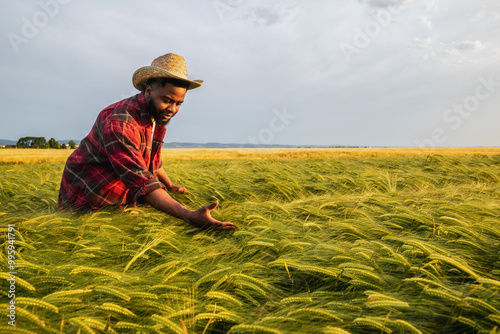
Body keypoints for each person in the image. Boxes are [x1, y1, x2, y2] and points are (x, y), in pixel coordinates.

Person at [58, 53, 235, 231]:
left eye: (179, 103)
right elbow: (140, 180)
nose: (172, 109)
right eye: (167, 101)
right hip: (88, 196)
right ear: (149, 91)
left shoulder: (155, 116)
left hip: (116, 190)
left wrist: (170, 185)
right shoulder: (120, 122)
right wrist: (188, 216)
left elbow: (150, 161)